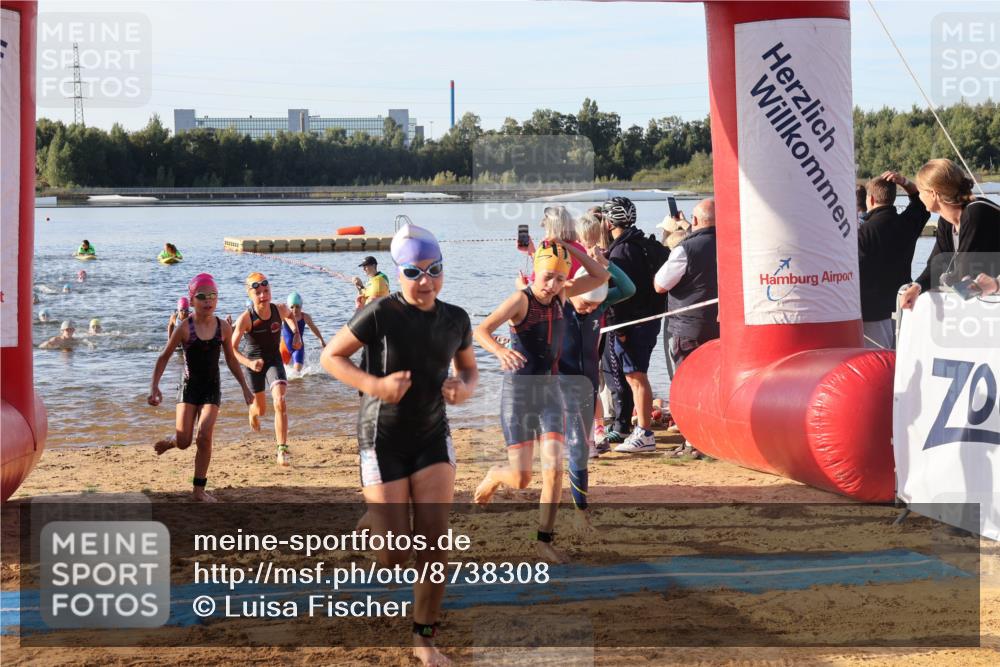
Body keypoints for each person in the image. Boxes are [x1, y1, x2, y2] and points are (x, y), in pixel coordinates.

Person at [320, 223, 478, 667]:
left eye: (434, 270)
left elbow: (468, 370)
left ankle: (423, 639)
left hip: (432, 436)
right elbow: (330, 357)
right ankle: (374, 517)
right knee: (392, 556)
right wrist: (375, 385)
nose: (425, 281)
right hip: (381, 437)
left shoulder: (456, 319)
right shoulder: (380, 313)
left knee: (433, 545)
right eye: (413, 272)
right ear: (399, 272)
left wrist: (463, 389)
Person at [474, 240, 609, 563]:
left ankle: (543, 541)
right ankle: (495, 475)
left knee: (554, 472)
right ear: (535, 272)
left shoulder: (562, 296)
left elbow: (601, 276)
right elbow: (482, 330)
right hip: (520, 395)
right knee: (521, 479)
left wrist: (569, 250)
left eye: (559, 279)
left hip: (550, 394)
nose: (552, 285)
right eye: (547, 277)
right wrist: (499, 351)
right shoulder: (520, 300)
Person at [148, 273, 254, 502]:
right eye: (202, 296)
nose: (208, 301)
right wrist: (154, 387)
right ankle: (172, 441)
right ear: (192, 300)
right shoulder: (184, 328)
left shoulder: (223, 328)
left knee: (204, 436)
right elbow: (164, 357)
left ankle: (198, 489)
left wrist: (245, 387)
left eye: (213, 296)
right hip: (188, 388)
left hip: (211, 389)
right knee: (185, 441)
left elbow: (232, 360)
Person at [600, 196, 668, 453]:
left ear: (609, 222)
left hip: (631, 324)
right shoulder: (646, 244)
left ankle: (644, 432)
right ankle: (640, 427)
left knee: (635, 377)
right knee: (636, 377)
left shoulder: (621, 251)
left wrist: (620, 330)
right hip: (650, 320)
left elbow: (625, 295)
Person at [653, 198, 720, 459]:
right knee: (713, 384)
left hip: (688, 327)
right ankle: (711, 439)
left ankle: (693, 441)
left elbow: (660, 283)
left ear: (694, 221)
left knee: (686, 385)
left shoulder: (686, 248)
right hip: (720, 326)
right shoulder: (732, 243)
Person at [900, 159, 1000, 309]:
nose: (919, 197)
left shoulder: (976, 213)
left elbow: (963, 276)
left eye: (920, 192)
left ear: (933, 194)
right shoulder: (947, 221)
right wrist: (917, 287)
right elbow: (937, 264)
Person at [232, 272, 302, 466]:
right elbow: (232, 349)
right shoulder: (246, 319)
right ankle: (252, 412)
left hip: (273, 361)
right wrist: (249, 363)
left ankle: (282, 450)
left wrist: (297, 334)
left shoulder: (279, 309)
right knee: (261, 410)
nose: (263, 295)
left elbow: (290, 316)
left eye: (266, 291)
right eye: (258, 293)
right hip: (253, 364)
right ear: (250, 295)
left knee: (280, 400)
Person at [857, 171, 929, 348]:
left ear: (871, 200)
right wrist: (904, 182)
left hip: (871, 313)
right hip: (902, 303)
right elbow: (921, 201)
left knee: (876, 366)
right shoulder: (907, 223)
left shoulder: (862, 233)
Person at [280, 292, 326, 372]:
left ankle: (298, 385)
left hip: (298, 347)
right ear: (288, 307)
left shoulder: (305, 317)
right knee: (280, 371)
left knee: (297, 374)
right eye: (292, 307)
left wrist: (321, 340)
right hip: (284, 347)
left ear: (301, 306)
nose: (295, 309)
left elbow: (313, 328)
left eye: (297, 306)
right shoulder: (285, 317)